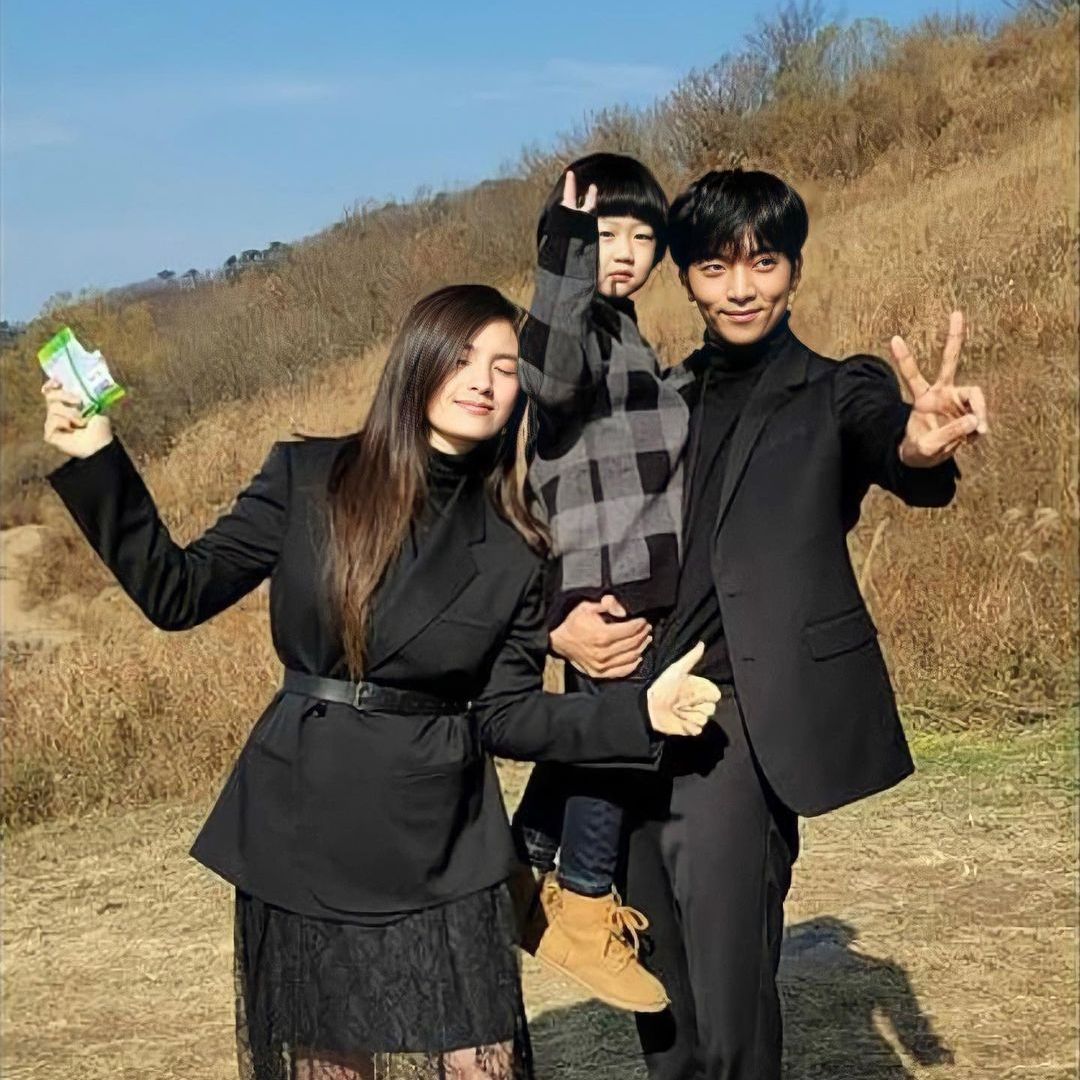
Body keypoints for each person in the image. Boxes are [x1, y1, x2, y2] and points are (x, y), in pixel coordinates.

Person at [41, 283, 721, 1080]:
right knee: (332, 1064)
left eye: (505, 368)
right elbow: (177, 591)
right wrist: (97, 458)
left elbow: (506, 714)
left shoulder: (518, 543)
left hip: (445, 834)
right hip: (308, 816)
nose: (482, 381)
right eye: (462, 357)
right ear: (417, 362)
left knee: (482, 1061)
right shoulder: (308, 477)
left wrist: (639, 714)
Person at [547, 169, 989, 1080]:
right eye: (715, 267)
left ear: (794, 269)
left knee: (729, 990)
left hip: (738, 722)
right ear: (685, 278)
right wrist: (559, 628)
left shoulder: (835, 388)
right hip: (632, 712)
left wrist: (917, 445)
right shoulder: (659, 394)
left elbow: (892, 442)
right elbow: (571, 512)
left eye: (764, 263)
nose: (741, 288)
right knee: (656, 986)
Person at [510, 152, 695, 1014]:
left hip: (633, 570)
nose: (621, 252)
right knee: (617, 746)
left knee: (591, 735)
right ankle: (583, 906)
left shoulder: (628, 334)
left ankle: (518, 865)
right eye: (602, 234)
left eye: (639, 236)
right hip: (599, 579)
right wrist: (565, 252)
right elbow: (547, 373)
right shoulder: (570, 328)